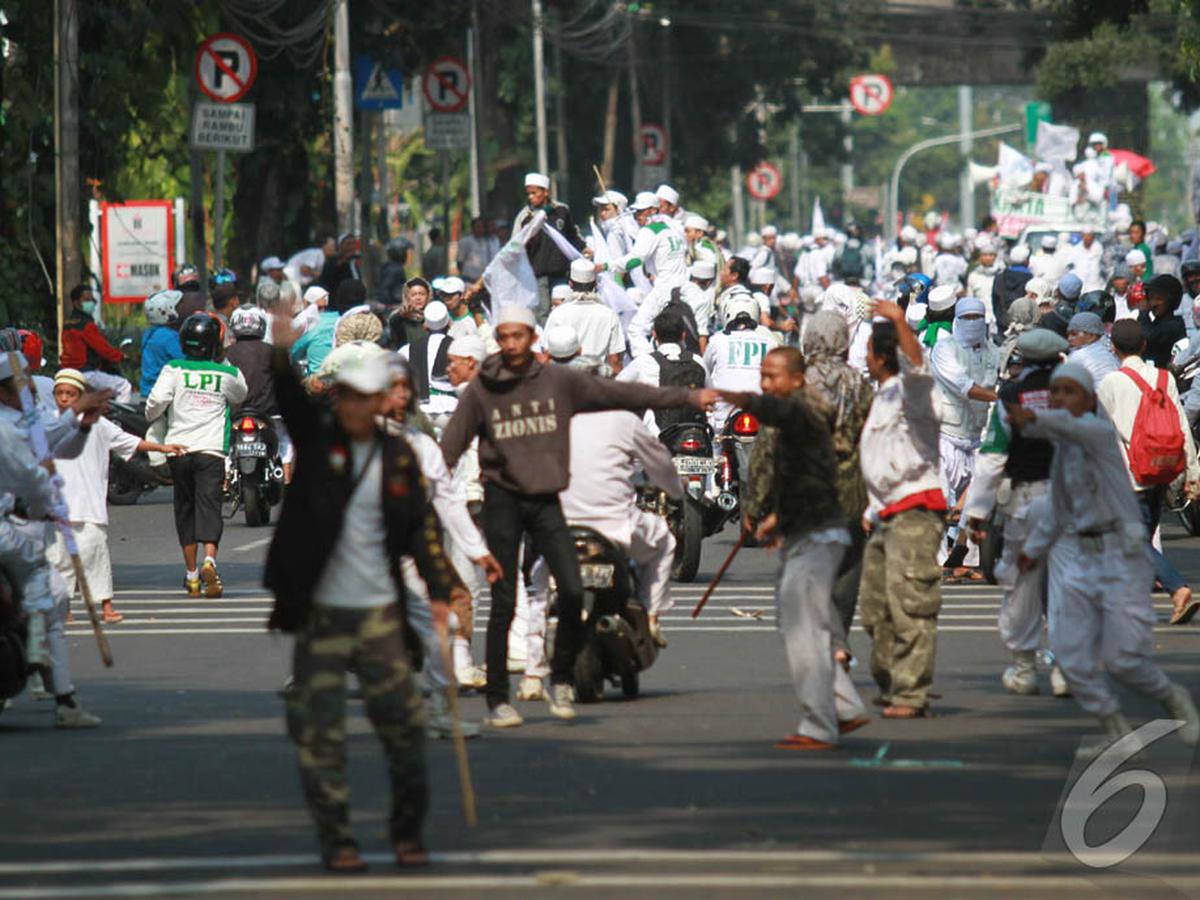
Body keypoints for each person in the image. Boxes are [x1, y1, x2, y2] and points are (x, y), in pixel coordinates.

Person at [439, 305, 716, 728]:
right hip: (504, 503)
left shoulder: (558, 383)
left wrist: (687, 396)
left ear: (533, 339)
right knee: (504, 601)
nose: (512, 344)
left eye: (520, 336)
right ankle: (499, 698)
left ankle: (560, 677)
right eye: (504, 336)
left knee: (568, 589)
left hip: (549, 502)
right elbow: (449, 448)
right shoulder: (482, 390)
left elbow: (635, 395)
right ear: (498, 339)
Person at [264, 317, 455, 873]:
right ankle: (338, 840)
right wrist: (279, 349)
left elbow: (420, 528)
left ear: (380, 402)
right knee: (319, 738)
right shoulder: (319, 443)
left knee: (404, 733)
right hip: (321, 615)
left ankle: (406, 833)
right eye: (345, 395)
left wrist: (441, 590)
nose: (352, 406)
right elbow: (291, 401)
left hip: (379, 616)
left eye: (363, 397)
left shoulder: (398, 458)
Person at [1010, 363, 1198, 756]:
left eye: (1068, 392)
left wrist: (1033, 415)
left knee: (1123, 661)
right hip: (1079, 556)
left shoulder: (1095, 433)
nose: (1059, 398)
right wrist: (1034, 549)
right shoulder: (1065, 451)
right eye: (1055, 391)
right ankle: (1119, 733)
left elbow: (1069, 427)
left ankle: (1174, 699)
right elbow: (1059, 507)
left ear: (1089, 400)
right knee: (1071, 655)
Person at [724, 346, 869, 750]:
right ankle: (843, 704)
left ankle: (819, 723)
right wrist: (774, 520)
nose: (765, 384)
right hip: (812, 529)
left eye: (773, 377)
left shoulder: (800, 413)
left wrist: (773, 519)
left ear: (798, 378)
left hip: (817, 532)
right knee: (806, 624)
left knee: (803, 630)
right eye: (763, 376)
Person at [380, 355, 502, 737]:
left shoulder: (422, 445)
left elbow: (448, 502)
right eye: (391, 389)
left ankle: (435, 710)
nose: (399, 396)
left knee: (442, 626)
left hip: (409, 556)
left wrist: (478, 551)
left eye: (405, 389)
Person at [0, 348, 109, 728]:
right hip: (11, 530)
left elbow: (59, 446)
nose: (29, 386)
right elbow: (36, 466)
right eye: (20, 383)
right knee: (53, 595)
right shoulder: (8, 425)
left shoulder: (26, 418)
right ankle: (61, 695)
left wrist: (80, 424)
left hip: (24, 527)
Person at [965, 329, 1071, 696]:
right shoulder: (1079, 392)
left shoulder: (1010, 395)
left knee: (1022, 585)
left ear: (1021, 359)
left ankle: (1025, 670)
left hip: (1026, 502)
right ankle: (1064, 671)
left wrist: (974, 513)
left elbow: (993, 459)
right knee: (1067, 585)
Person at [554, 345, 682, 650]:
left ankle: (533, 668)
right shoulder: (624, 422)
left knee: (537, 587)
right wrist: (676, 492)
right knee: (665, 541)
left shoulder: (551, 420)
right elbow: (661, 465)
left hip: (559, 528)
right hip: (616, 528)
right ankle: (651, 613)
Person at [857, 300, 945, 719]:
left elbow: (917, 367)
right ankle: (892, 682)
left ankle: (911, 693)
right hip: (885, 513)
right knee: (875, 610)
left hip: (916, 511)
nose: (864, 357)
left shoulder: (914, 390)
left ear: (880, 354)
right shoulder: (883, 396)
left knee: (910, 604)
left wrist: (897, 320)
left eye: (869, 350)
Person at [47, 368, 185, 625]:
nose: (64, 398)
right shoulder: (49, 424)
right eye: (60, 393)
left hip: (90, 505)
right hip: (58, 506)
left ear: (81, 396)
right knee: (61, 560)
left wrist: (162, 447)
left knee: (95, 554)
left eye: (70, 393)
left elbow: (128, 442)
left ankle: (106, 607)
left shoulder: (97, 424)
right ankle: (64, 609)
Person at [1096, 319, 1200, 625]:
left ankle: (1177, 588)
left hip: (1128, 475)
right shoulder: (1164, 377)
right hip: (1162, 472)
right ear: (1144, 346)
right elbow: (1181, 424)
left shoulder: (1111, 382)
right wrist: (1192, 472)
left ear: (1113, 348)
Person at [146, 313, 248, 598]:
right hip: (211, 450)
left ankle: (192, 577)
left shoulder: (173, 369)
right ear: (215, 344)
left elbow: (155, 403)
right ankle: (209, 561)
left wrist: (153, 418)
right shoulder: (226, 374)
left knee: (185, 509)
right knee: (210, 508)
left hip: (178, 450)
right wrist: (222, 358)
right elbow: (241, 394)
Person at [929, 296, 999, 578]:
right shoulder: (944, 349)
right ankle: (937, 560)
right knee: (943, 499)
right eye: (966, 317)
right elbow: (963, 385)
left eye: (977, 317)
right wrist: (999, 397)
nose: (972, 323)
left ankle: (964, 563)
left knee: (975, 501)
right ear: (957, 319)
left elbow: (997, 377)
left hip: (975, 432)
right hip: (945, 433)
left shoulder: (992, 351)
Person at [703, 294, 779, 437]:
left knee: (716, 450)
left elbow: (705, 371)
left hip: (723, 418)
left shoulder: (717, 340)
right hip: (760, 417)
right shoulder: (770, 342)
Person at [513, 172, 586, 310]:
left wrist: (584, 248)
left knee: (564, 308)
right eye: (528, 194)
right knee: (542, 312)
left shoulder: (561, 210)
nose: (531, 197)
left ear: (545, 192)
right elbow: (515, 245)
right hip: (538, 274)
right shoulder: (524, 217)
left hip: (561, 273)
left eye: (534, 193)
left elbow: (572, 234)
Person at [544, 259, 626, 373]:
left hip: (564, 381)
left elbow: (547, 352)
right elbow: (615, 359)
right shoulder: (609, 314)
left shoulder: (558, 314)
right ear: (595, 284)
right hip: (596, 381)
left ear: (570, 284)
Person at [60, 284, 132, 402]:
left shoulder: (68, 323)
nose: (92, 302)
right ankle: (119, 420)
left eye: (92, 299)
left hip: (68, 372)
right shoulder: (86, 325)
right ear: (76, 302)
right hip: (86, 373)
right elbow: (102, 348)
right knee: (124, 386)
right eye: (87, 300)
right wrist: (120, 356)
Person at [399, 300, 456, 420]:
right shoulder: (458, 347)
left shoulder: (407, 349)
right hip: (452, 408)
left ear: (425, 325)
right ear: (448, 323)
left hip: (421, 411)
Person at [140, 289, 184, 397]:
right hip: (163, 394)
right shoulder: (169, 337)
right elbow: (186, 361)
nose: (180, 308)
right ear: (166, 310)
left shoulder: (150, 333)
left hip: (148, 390)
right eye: (177, 306)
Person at [1137, 274, 1187, 368]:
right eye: (1150, 298)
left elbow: (1147, 338)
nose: (1152, 303)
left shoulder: (1174, 324)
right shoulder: (1156, 323)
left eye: (1158, 299)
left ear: (1171, 300)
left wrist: (1143, 312)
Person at [290, 286, 341, 376]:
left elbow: (295, 352)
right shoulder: (340, 319)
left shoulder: (310, 322)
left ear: (307, 303)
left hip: (317, 378)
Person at [1066, 311, 1118, 385]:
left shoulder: (1079, 356)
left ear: (1091, 336)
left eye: (1074, 334)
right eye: (1068, 334)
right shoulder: (1109, 352)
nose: (1069, 338)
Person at [458, 216, 499, 282]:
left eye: (482, 227)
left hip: (483, 279)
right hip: (469, 278)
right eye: (478, 227)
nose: (480, 229)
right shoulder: (466, 241)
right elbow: (460, 261)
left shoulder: (487, 242)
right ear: (472, 228)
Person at [377, 237, 412, 306]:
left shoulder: (391, 267)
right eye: (404, 252)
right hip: (393, 306)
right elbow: (385, 289)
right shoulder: (395, 269)